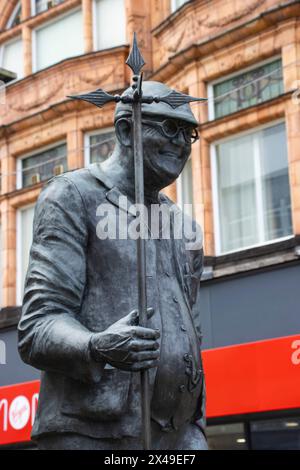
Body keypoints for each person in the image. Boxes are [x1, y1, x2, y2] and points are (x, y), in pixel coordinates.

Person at [18, 81, 208, 450]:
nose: (182, 144)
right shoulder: (72, 197)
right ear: (125, 129)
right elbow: (38, 325)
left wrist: (196, 424)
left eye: (190, 134)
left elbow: (192, 337)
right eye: (169, 129)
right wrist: (96, 346)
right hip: (91, 432)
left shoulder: (185, 228)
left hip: (179, 435)